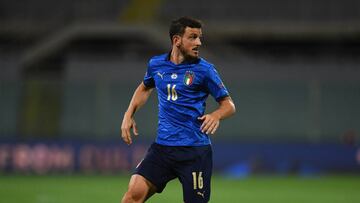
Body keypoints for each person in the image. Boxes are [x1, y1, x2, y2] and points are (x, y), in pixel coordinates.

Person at [120, 16, 236, 203]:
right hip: (163, 149)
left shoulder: (205, 70)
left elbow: (229, 105)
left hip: (194, 152)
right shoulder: (156, 64)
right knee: (131, 197)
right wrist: (128, 114)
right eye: (192, 37)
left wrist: (216, 115)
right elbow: (144, 87)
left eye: (199, 37)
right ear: (177, 40)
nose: (198, 42)